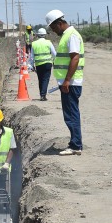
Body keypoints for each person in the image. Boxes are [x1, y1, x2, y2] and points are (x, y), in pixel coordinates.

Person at [46, 9, 84, 156]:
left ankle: (75, 145)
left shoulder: (72, 35)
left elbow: (75, 58)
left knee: (71, 114)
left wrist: (67, 80)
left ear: (60, 23)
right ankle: (75, 143)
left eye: (54, 28)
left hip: (71, 83)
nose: (54, 31)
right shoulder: (67, 35)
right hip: (67, 82)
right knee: (69, 114)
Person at [31, 27, 56, 101]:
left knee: (40, 79)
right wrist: (55, 62)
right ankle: (43, 95)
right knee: (45, 79)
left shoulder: (34, 43)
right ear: (45, 35)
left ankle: (41, 94)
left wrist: (31, 65)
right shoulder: (48, 42)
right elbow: (54, 53)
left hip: (38, 64)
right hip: (48, 64)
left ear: (38, 35)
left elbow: (31, 56)